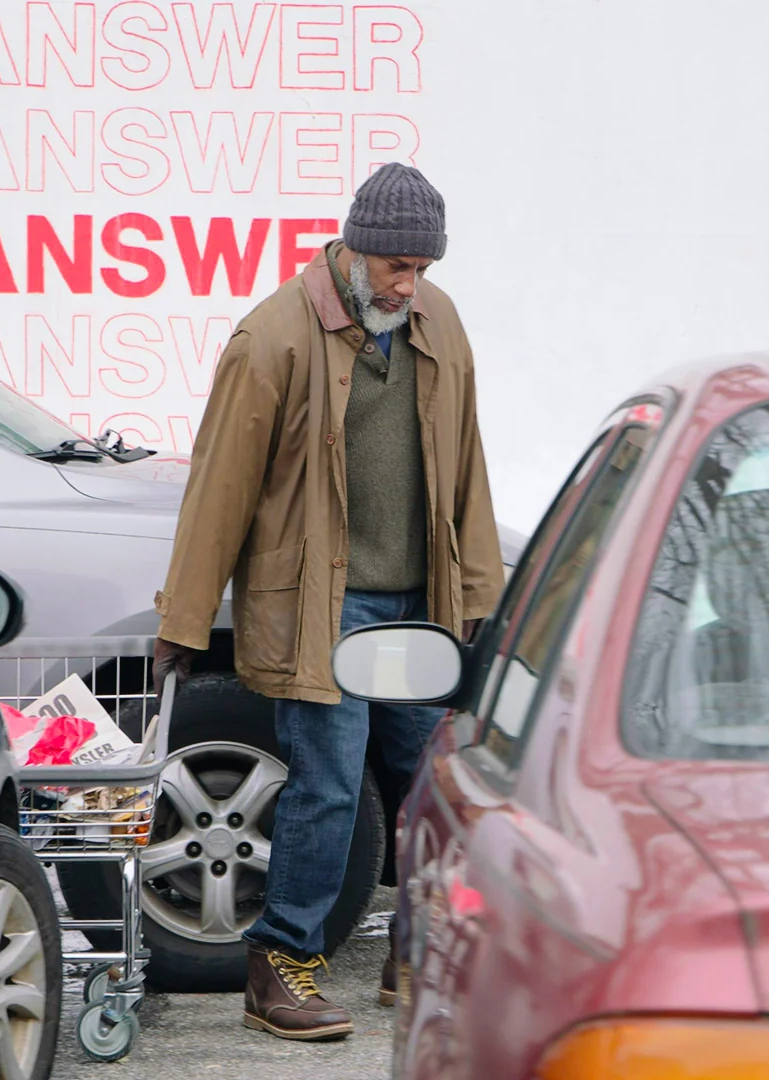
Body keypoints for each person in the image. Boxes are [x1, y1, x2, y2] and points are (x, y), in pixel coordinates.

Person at [151, 162, 504, 1041]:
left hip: (417, 607)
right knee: (329, 790)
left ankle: (418, 953)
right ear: (352, 249)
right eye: (395, 265)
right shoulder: (271, 337)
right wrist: (184, 621)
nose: (409, 283)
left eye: (421, 267)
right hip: (323, 609)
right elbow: (219, 492)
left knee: (436, 788)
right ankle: (282, 965)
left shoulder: (437, 319)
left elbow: (466, 464)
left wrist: (476, 597)